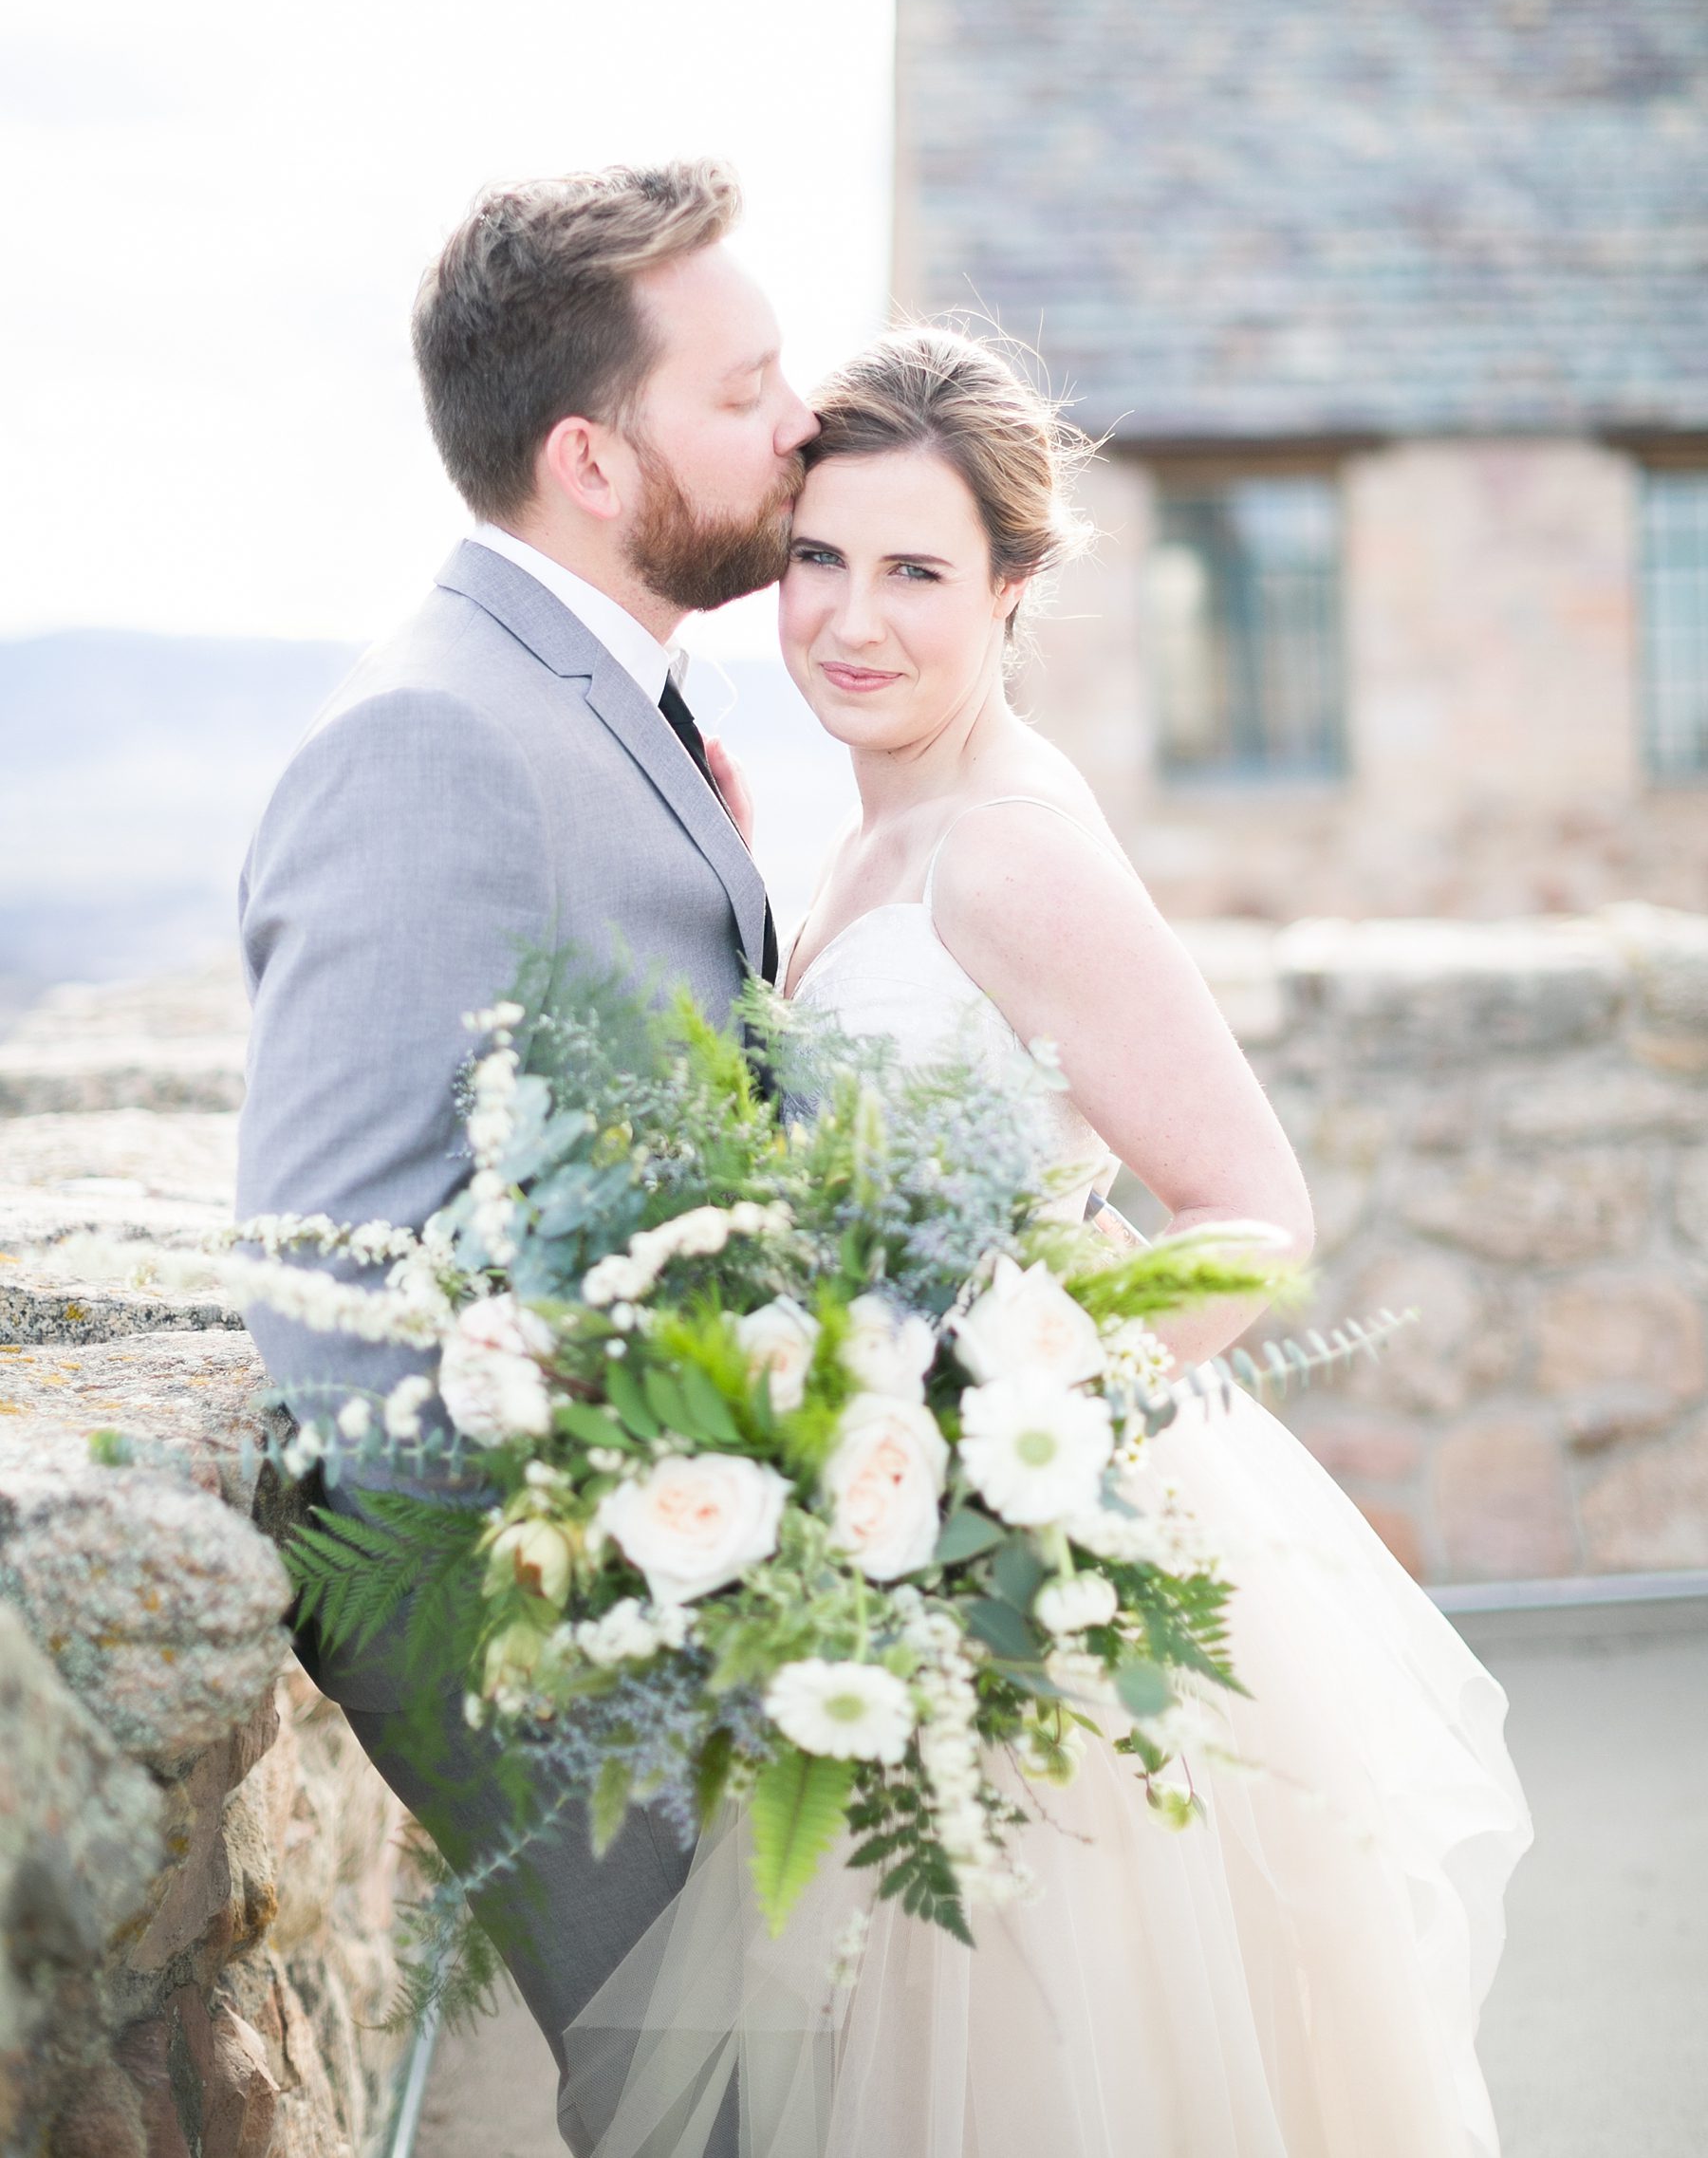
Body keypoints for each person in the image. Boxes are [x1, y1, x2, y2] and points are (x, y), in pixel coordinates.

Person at [566, 326, 1531, 2158]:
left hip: (1015, 1569)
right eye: (819, 558)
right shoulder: (871, 833)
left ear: (1014, 585)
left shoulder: (1005, 851)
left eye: (917, 571)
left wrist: (996, 1464)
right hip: (885, 1539)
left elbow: (1252, 1216)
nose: (852, 620)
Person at [235, 159, 815, 2153]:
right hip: (566, 1672)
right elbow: (337, 1307)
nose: (801, 421)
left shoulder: (612, 695)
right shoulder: (436, 739)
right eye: (742, 391)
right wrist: (607, 1667)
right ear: (590, 458)